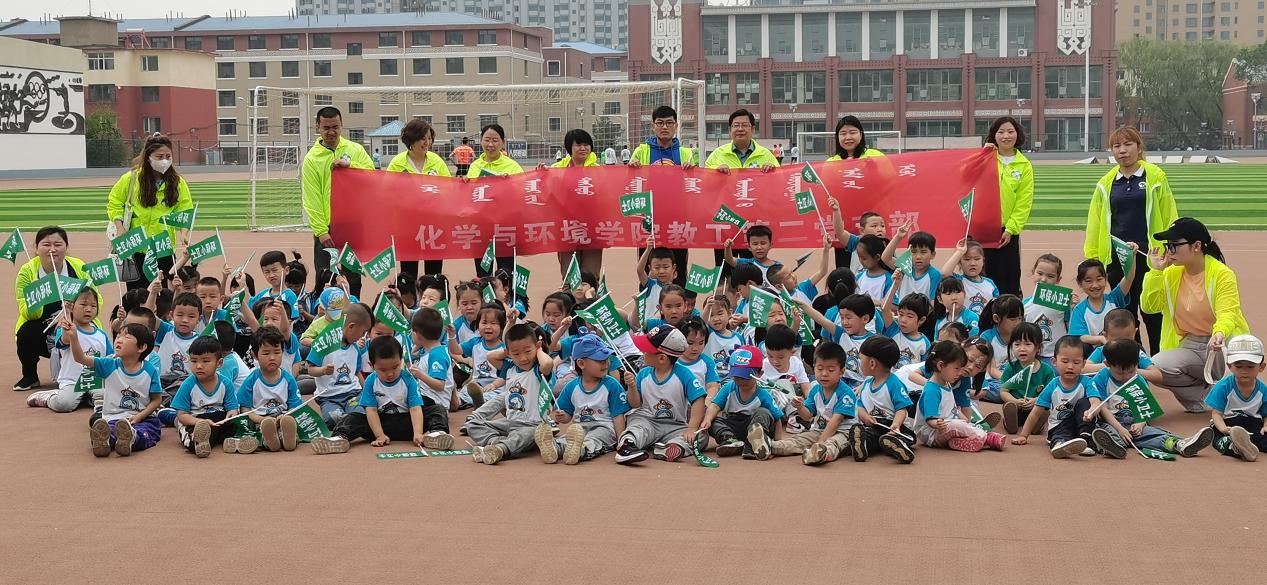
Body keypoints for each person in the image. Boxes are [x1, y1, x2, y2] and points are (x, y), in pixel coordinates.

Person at [1084, 126, 1177, 353]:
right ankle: (1135, 356)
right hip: (1117, 259)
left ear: (1139, 147)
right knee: (1126, 313)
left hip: (1149, 256)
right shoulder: (1106, 183)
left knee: (1153, 311)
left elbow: (1168, 212)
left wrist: (1171, 248)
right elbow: (1095, 221)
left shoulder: (1155, 177)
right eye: (1117, 146)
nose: (1122, 151)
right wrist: (1093, 257)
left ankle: (1158, 358)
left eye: (1127, 145)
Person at [1141, 217, 1248, 413]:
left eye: (1174, 245)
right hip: (1190, 343)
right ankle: (1203, 399)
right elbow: (1149, 307)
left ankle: (1230, 397)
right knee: (1154, 367)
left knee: (1237, 390)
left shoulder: (1222, 274)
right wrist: (1155, 272)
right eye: (1167, 245)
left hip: (1220, 343)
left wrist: (1220, 334)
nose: (1168, 251)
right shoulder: (1170, 273)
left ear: (1196, 246)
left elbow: (1228, 312)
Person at [14, 226, 104, 391]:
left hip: (75, 321)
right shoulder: (27, 272)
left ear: (66, 247)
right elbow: (26, 311)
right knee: (25, 333)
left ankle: (87, 373)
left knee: (90, 334)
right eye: (46, 244)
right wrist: (38, 294)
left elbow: (96, 300)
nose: (52, 249)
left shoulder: (78, 267)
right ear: (37, 248)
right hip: (42, 326)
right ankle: (30, 376)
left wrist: (75, 313)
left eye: (58, 244)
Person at [301, 106, 375, 299]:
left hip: (353, 224)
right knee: (326, 278)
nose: (331, 131)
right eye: (326, 127)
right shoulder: (312, 159)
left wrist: (351, 166)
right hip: (327, 229)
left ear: (342, 125)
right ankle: (326, 322)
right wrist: (321, 231)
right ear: (318, 127)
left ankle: (355, 318)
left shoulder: (355, 150)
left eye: (335, 126)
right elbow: (312, 198)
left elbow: (371, 176)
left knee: (353, 278)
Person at [313, 336, 430, 454]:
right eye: (383, 370)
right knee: (354, 417)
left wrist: (418, 432)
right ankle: (339, 438)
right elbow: (371, 411)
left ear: (401, 360)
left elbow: (415, 409)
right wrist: (379, 435)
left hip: (407, 423)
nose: (390, 374)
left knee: (435, 410)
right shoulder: (370, 381)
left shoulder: (408, 379)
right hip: (379, 424)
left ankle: (437, 433)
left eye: (395, 367)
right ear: (372, 365)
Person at [106, 133, 194, 291]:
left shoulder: (177, 182)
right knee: (137, 295)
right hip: (137, 246)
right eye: (159, 156)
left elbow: (185, 210)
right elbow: (115, 202)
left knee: (164, 294)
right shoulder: (131, 178)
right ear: (148, 157)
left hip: (164, 248)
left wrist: (184, 233)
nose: (164, 160)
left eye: (168, 156)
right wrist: (120, 228)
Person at [66, 320, 162, 457]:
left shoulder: (150, 370)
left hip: (143, 418)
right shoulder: (109, 364)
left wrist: (140, 416)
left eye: (127, 337)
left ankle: (132, 438)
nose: (120, 340)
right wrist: (73, 337)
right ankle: (104, 442)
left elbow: (156, 400)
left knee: (146, 431)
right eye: (118, 336)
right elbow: (80, 358)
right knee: (107, 430)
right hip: (113, 418)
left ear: (141, 348)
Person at [613, 325, 707, 465]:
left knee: (701, 436)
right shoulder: (643, 374)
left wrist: (692, 428)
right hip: (647, 421)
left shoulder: (684, 375)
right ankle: (628, 446)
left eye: (647, 350)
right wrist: (632, 387)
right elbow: (635, 404)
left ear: (662, 358)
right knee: (636, 426)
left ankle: (671, 448)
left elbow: (698, 399)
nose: (642, 352)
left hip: (675, 425)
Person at [463, 323, 556, 464]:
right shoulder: (510, 368)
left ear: (536, 346)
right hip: (510, 422)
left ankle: (501, 449)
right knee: (473, 425)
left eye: (528, 351)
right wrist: (506, 352)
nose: (523, 358)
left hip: (533, 425)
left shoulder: (538, 370)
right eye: (516, 354)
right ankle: (497, 442)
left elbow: (548, 364)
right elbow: (491, 357)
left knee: (526, 435)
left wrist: (539, 350)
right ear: (509, 353)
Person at [629, 105, 698, 286]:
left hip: (677, 217)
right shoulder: (642, 151)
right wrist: (632, 167)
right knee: (648, 264)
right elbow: (630, 181)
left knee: (679, 265)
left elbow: (696, 184)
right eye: (660, 123)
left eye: (669, 123)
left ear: (676, 126)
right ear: (653, 126)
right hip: (649, 218)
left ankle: (679, 309)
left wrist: (692, 171)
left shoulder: (686, 153)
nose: (664, 127)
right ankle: (647, 306)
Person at [706, 108, 779, 278]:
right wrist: (715, 174)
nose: (740, 129)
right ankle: (726, 304)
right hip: (725, 223)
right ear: (730, 129)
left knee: (752, 274)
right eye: (736, 125)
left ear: (753, 129)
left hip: (754, 225)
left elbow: (779, 186)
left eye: (745, 125)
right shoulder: (717, 155)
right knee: (725, 274)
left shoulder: (766, 155)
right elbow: (704, 186)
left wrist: (772, 173)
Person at [1010, 335, 1101, 458]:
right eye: (1065, 361)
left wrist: (1092, 410)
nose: (1070, 366)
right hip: (1059, 424)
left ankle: (1086, 440)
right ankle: (1059, 445)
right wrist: (1024, 435)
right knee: (1060, 432)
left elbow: (1095, 401)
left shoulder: (1087, 382)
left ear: (1084, 363)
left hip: (1081, 424)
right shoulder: (1052, 385)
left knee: (1085, 402)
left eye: (1076, 362)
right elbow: (1036, 412)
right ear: (1054, 362)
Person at [551, 334, 633, 464]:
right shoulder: (571, 387)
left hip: (604, 428)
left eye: (606, 359)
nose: (605, 364)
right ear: (581, 363)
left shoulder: (611, 384)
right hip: (579, 428)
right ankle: (555, 448)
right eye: (599, 360)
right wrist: (562, 416)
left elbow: (618, 415)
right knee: (568, 438)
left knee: (595, 439)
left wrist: (621, 440)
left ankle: (581, 450)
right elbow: (567, 415)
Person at [386, 119, 451, 278]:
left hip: (434, 226)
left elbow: (449, 188)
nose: (426, 142)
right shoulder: (397, 163)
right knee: (408, 272)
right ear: (411, 139)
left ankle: (433, 302)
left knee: (433, 272)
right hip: (407, 225)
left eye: (429, 138)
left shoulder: (436, 161)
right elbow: (387, 191)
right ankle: (410, 301)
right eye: (422, 138)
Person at [698, 346, 782, 458]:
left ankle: (753, 444)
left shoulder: (763, 394)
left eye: (746, 377)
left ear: (759, 374)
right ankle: (731, 440)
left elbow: (777, 419)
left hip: (756, 425)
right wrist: (707, 419)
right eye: (737, 377)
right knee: (714, 420)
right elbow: (714, 406)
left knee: (763, 413)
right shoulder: (728, 388)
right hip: (734, 423)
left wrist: (778, 444)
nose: (741, 381)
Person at [983, 116, 1034, 297]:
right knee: (981, 274)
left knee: (1008, 277)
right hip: (983, 228)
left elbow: (1024, 201)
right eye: (1001, 132)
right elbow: (965, 178)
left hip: (1007, 232)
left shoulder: (1024, 165)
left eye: (1010, 131)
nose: (1006, 136)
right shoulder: (985, 158)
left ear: (1017, 134)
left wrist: (1011, 229)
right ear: (994, 135)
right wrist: (981, 155)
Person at [544, 129, 603, 277]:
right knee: (569, 275)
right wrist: (541, 175)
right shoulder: (557, 169)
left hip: (592, 229)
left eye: (586, 145)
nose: (583, 148)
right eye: (578, 145)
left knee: (590, 276)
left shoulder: (599, 170)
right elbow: (546, 194)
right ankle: (568, 299)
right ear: (569, 147)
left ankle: (589, 300)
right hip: (566, 229)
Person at [465, 123, 522, 277]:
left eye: (495, 140)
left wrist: (508, 185)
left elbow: (521, 193)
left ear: (503, 142)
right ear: (481, 141)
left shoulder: (512, 166)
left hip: (505, 226)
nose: (490, 144)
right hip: (481, 227)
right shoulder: (475, 166)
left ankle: (505, 300)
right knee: (483, 272)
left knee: (505, 272)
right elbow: (469, 196)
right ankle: (485, 300)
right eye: (487, 140)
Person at [236, 326, 302, 454]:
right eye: (266, 353)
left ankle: (287, 438)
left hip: (282, 418)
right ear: (255, 355)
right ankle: (269, 441)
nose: (272, 358)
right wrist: (263, 420)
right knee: (260, 431)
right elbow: (245, 411)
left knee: (290, 425)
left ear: (282, 352)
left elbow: (295, 407)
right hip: (260, 421)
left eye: (277, 352)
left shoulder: (288, 379)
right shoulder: (251, 380)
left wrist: (283, 418)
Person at [170, 336, 239, 458]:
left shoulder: (226, 383)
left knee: (237, 424)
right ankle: (198, 442)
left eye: (205, 361)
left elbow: (232, 408)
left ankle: (235, 441)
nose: (199, 366)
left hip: (218, 420)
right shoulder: (188, 385)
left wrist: (231, 415)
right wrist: (200, 422)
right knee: (192, 431)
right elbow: (182, 415)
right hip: (195, 420)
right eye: (194, 361)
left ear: (219, 363)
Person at [1206, 334, 1267, 461]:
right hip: (1228, 424)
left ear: (1261, 367)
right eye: (1238, 366)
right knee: (1219, 439)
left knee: (1263, 436)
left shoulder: (1263, 390)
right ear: (1229, 366)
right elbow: (1216, 413)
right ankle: (1235, 447)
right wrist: (1223, 428)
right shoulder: (1223, 387)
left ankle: (1248, 445)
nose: (1244, 371)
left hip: (1253, 424)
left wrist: (1266, 426)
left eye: (1250, 366)